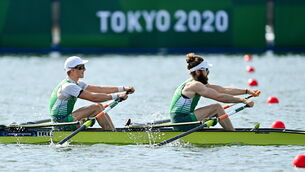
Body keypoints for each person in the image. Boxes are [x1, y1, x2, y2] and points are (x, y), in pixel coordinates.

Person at [169, 53, 259, 131]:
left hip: (181, 119)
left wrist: (247, 91)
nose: (208, 73)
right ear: (197, 72)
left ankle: (227, 131)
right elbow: (219, 97)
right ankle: (233, 135)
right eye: (206, 70)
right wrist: (243, 101)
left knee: (214, 110)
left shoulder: (195, 83)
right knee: (217, 108)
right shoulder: (195, 85)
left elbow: (223, 90)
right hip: (181, 122)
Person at [49, 56, 135, 131]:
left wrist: (123, 88)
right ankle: (112, 134)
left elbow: (99, 89)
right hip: (61, 124)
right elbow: (93, 98)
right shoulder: (68, 86)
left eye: (84, 67)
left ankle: (112, 130)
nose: (84, 69)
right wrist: (117, 96)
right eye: (81, 67)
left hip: (66, 119)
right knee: (97, 107)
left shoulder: (77, 83)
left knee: (100, 107)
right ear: (72, 70)